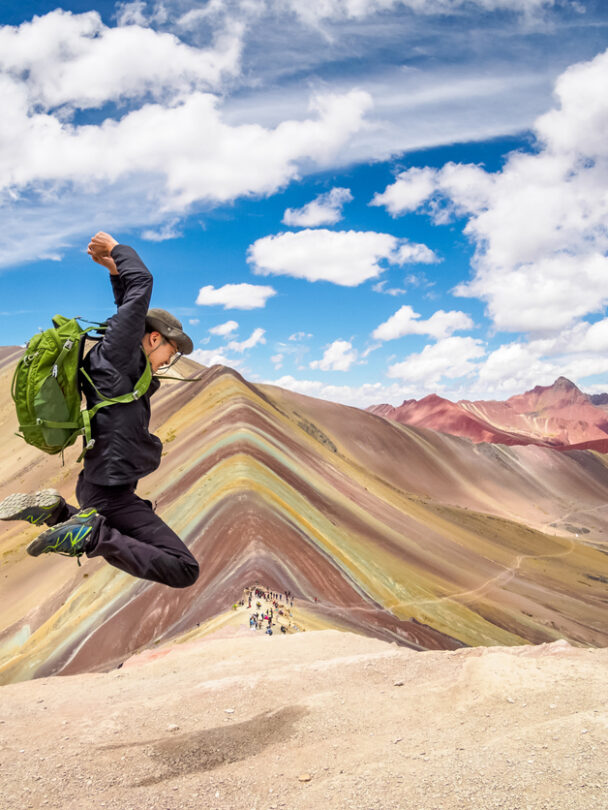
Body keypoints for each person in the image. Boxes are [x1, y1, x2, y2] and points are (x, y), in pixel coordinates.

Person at [0, 232, 199, 588]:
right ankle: (86, 534)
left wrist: (112, 272)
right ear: (155, 338)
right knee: (184, 568)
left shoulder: (120, 359)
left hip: (100, 485)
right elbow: (142, 285)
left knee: (122, 534)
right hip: (109, 491)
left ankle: (56, 513)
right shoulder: (118, 355)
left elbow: (128, 307)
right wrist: (118, 251)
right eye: (172, 349)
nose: (171, 359)